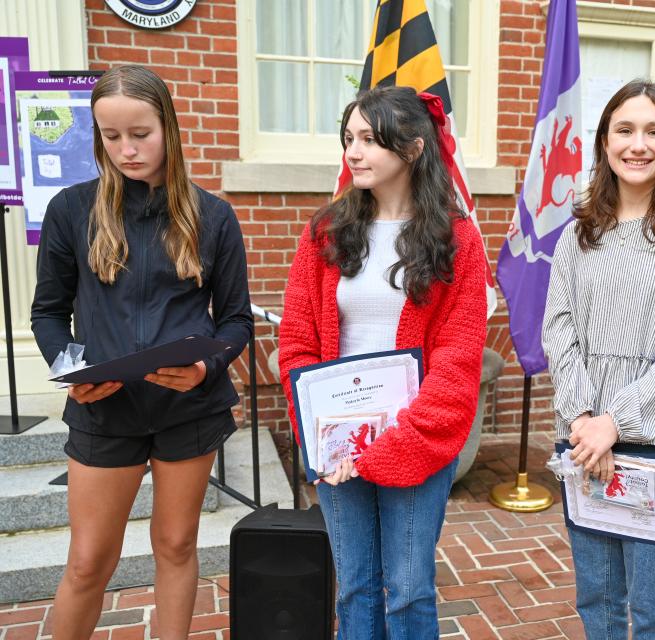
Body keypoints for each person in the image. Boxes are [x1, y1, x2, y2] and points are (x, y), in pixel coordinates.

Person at [31, 65, 252, 639]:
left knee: (176, 545)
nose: (126, 150)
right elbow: (48, 312)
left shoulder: (213, 216)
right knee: (87, 562)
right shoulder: (71, 210)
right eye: (111, 136)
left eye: (140, 134)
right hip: (104, 409)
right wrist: (69, 368)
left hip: (189, 408)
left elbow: (235, 320)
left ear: (168, 129)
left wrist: (206, 365)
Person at [278, 85, 487, 640]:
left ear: (414, 147)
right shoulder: (325, 233)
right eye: (349, 138)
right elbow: (297, 341)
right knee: (354, 586)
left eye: (370, 139)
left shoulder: (457, 240)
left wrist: (395, 441)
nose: (354, 152)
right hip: (338, 443)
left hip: (416, 439)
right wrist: (322, 438)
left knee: (409, 586)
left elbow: (457, 358)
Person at [542, 79, 655, 640]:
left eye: (654, 132)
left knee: (649, 605)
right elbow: (558, 327)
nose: (638, 145)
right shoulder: (578, 234)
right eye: (624, 130)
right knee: (596, 595)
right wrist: (583, 419)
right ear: (605, 141)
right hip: (581, 435)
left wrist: (615, 423)